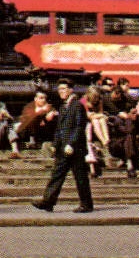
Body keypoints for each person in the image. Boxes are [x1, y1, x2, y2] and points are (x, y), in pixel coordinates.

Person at [31, 80, 94, 213]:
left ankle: (86, 204)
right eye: (59, 89)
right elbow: (60, 128)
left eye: (64, 89)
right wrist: (55, 144)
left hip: (75, 148)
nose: (61, 92)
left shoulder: (77, 106)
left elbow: (79, 127)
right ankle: (48, 202)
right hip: (63, 147)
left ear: (71, 90)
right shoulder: (63, 107)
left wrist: (71, 144)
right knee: (57, 174)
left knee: (80, 176)